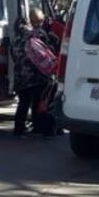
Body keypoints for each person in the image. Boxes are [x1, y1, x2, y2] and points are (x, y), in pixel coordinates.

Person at [11, 8, 59, 138]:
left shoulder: (15, 40)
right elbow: (48, 49)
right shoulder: (36, 34)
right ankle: (44, 128)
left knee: (23, 103)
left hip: (20, 77)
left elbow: (14, 57)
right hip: (36, 76)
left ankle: (18, 129)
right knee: (39, 102)